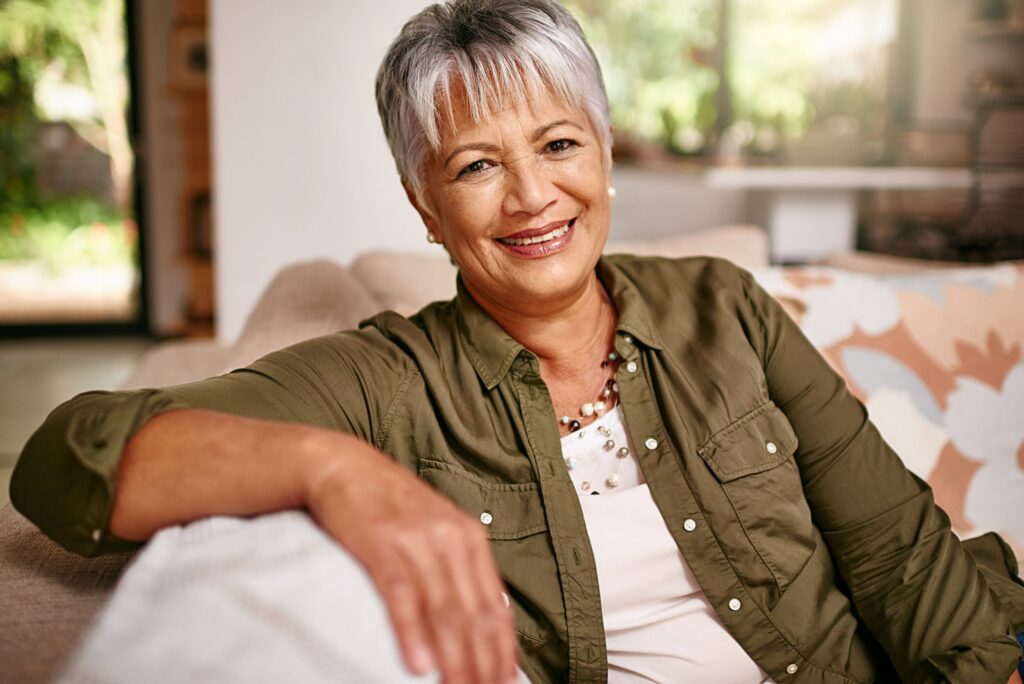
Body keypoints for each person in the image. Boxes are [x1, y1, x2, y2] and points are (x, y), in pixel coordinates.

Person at [11, 1, 1024, 682]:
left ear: (603, 151)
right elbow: (67, 462)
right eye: (475, 165)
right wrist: (330, 471)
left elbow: (895, 556)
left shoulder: (725, 306)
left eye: (557, 144)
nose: (533, 196)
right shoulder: (390, 379)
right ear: (424, 205)